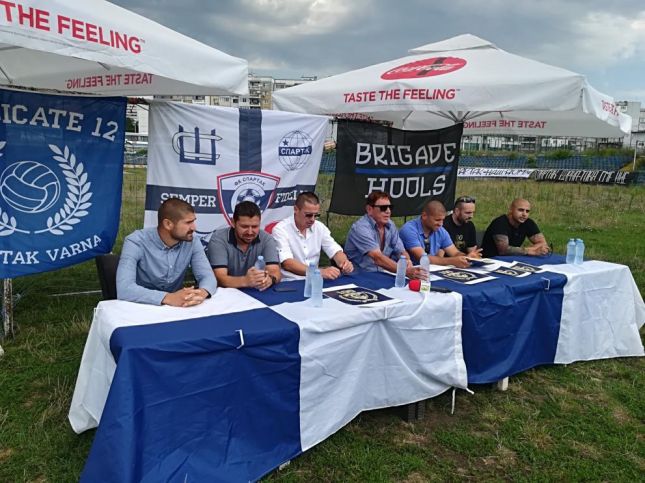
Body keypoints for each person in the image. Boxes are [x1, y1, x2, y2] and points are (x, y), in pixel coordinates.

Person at [116, 198, 217, 306]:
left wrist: (201, 293)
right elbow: (124, 289)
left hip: (176, 308)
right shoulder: (135, 241)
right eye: (188, 222)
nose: (194, 227)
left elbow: (207, 277)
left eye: (193, 221)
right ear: (168, 224)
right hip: (141, 306)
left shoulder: (192, 241)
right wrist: (168, 297)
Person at [272, 191, 353, 280]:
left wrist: (344, 263)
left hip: (315, 280)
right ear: (296, 209)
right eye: (308, 215)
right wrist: (319, 272)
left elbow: (334, 250)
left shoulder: (319, 227)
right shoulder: (281, 229)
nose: (312, 219)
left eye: (316, 215)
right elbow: (287, 263)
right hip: (291, 282)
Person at [344, 191, 424, 279]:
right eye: (383, 208)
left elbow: (401, 251)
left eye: (390, 207)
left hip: (383, 273)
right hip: (359, 276)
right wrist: (404, 271)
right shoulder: (360, 228)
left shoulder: (390, 224)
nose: (388, 211)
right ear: (369, 209)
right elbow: (378, 258)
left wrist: (407, 260)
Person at [207, 201, 281, 290]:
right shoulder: (219, 239)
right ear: (233, 223)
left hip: (255, 292)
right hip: (226, 293)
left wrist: (270, 280)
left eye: (254, 227)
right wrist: (245, 281)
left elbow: (275, 271)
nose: (250, 232)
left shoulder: (266, 238)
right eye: (244, 226)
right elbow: (219, 278)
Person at [399, 200, 470, 268]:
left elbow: (455, 253)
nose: (441, 224)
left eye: (442, 220)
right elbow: (423, 258)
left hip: (428, 271)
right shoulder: (409, 229)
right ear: (424, 216)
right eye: (437, 220)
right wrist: (452, 261)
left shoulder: (441, 231)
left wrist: (468, 257)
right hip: (408, 271)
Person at [481, 198, 550, 257]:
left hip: (512, 258)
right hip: (491, 259)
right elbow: (504, 250)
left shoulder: (528, 222)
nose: (524, 214)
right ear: (511, 209)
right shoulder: (500, 223)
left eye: (527, 211)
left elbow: (543, 243)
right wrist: (531, 251)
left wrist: (531, 250)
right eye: (521, 210)